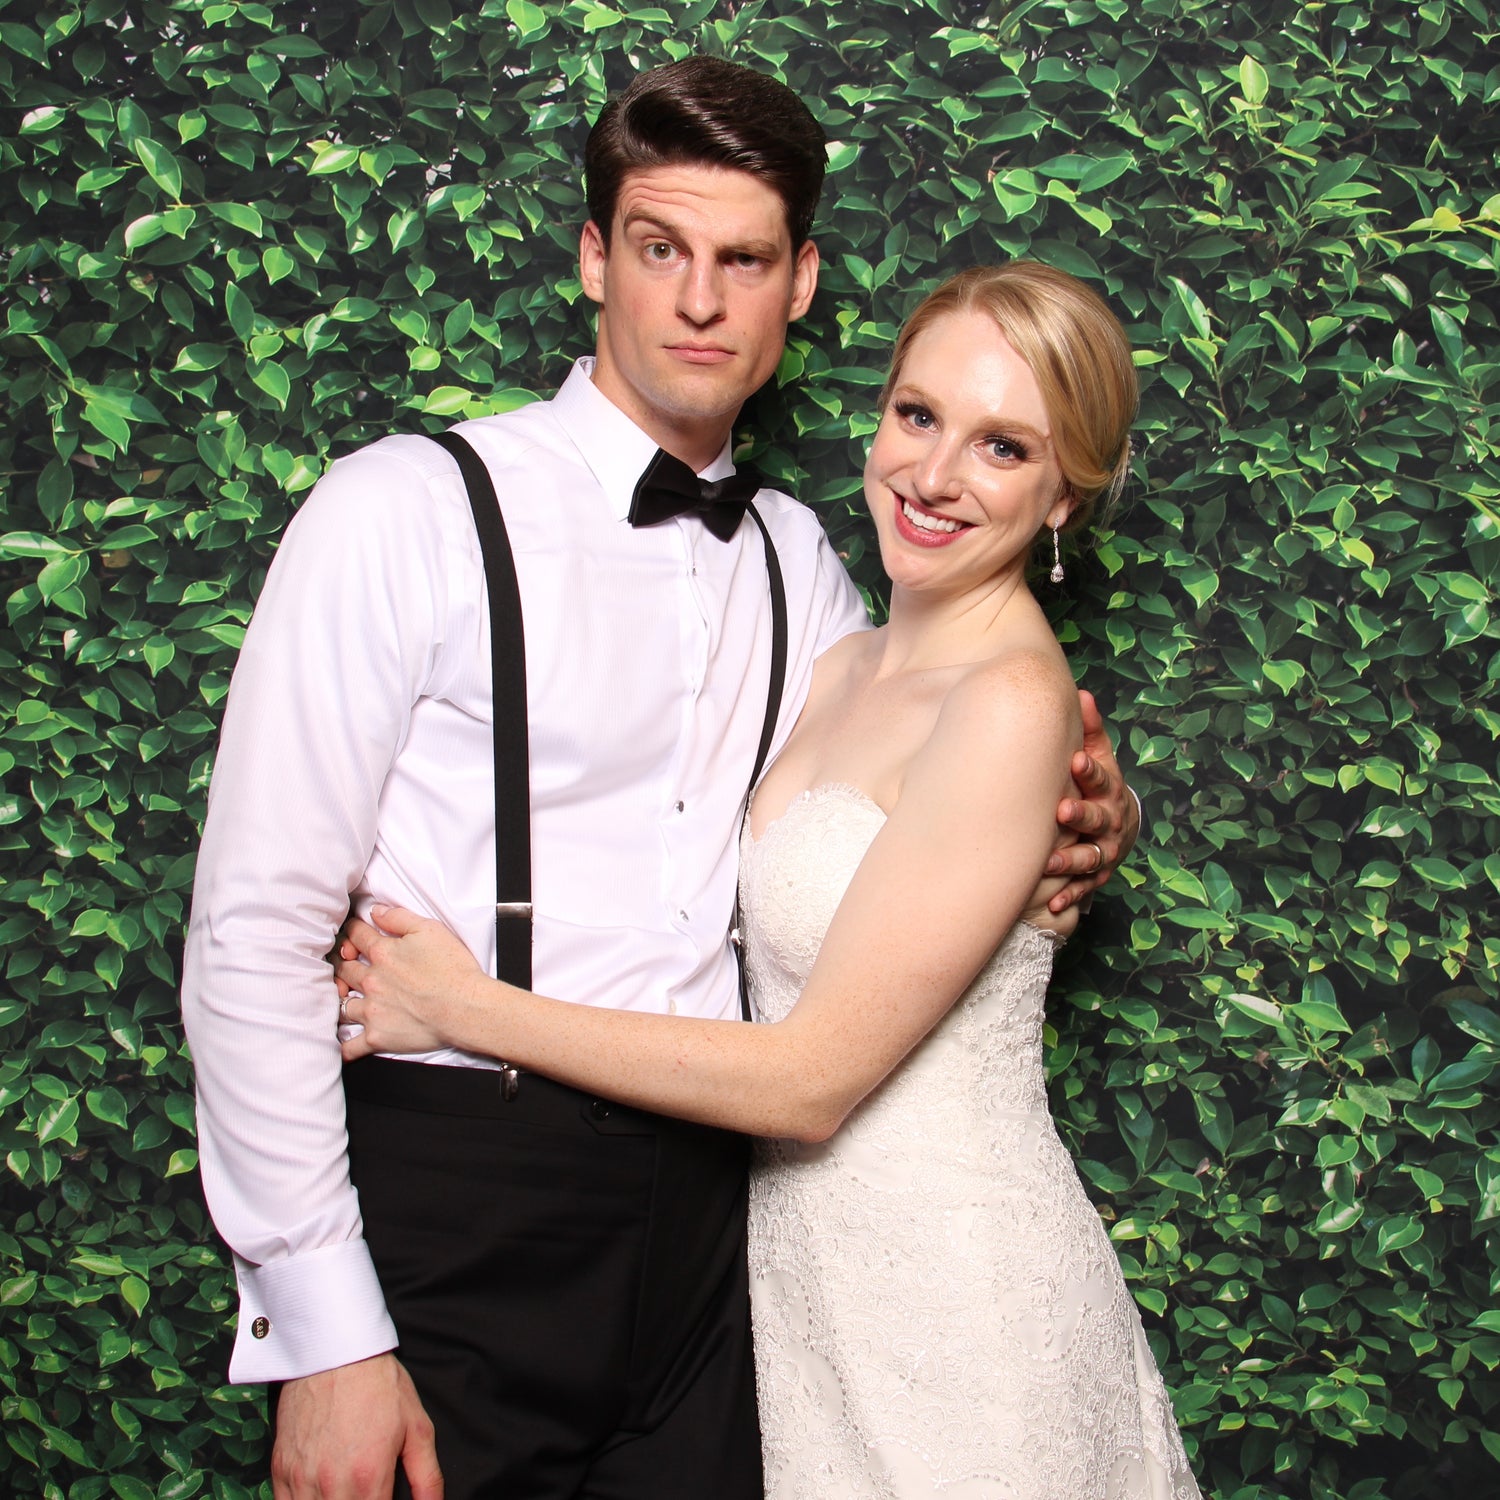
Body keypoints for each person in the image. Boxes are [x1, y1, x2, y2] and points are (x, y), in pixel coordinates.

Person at [181, 56, 1138, 1500]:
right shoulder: (402, 512)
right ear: (593, 258)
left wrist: (1083, 808)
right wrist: (321, 1334)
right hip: (465, 1198)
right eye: (659, 249)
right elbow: (251, 931)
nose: (700, 301)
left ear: (800, 286)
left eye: (743, 259)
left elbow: (944, 759)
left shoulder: (807, 571)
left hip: (714, 1253)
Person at [332, 262, 1200, 1498]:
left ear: (1066, 495)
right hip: (804, 1310)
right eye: (918, 415)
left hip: (959, 1314)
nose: (936, 475)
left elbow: (807, 1084)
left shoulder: (1013, 700)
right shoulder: (842, 654)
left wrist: (466, 1007)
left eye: (1003, 448)